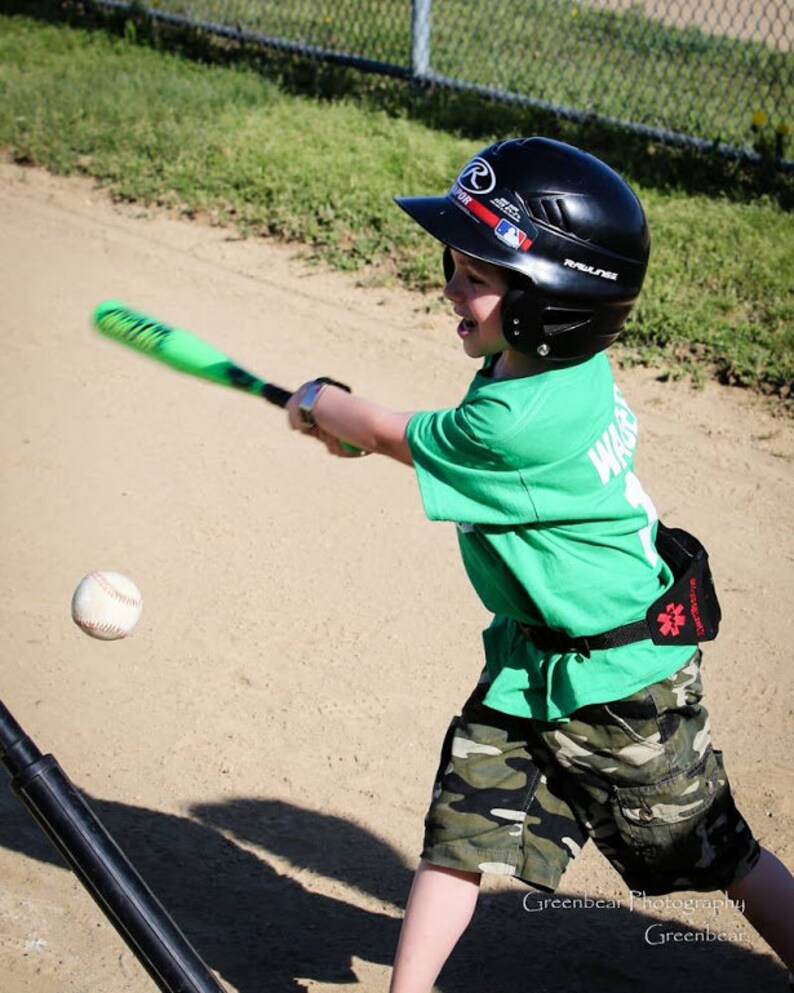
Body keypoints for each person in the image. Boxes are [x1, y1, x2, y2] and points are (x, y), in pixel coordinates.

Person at [285, 137, 794, 992]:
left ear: (550, 301)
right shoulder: (556, 367)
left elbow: (387, 430)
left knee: (714, 849)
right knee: (460, 830)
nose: (449, 285)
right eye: (454, 262)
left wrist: (317, 401)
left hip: (623, 682)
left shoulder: (512, 425)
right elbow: (408, 447)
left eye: (475, 274)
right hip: (534, 662)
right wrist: (355, 433)